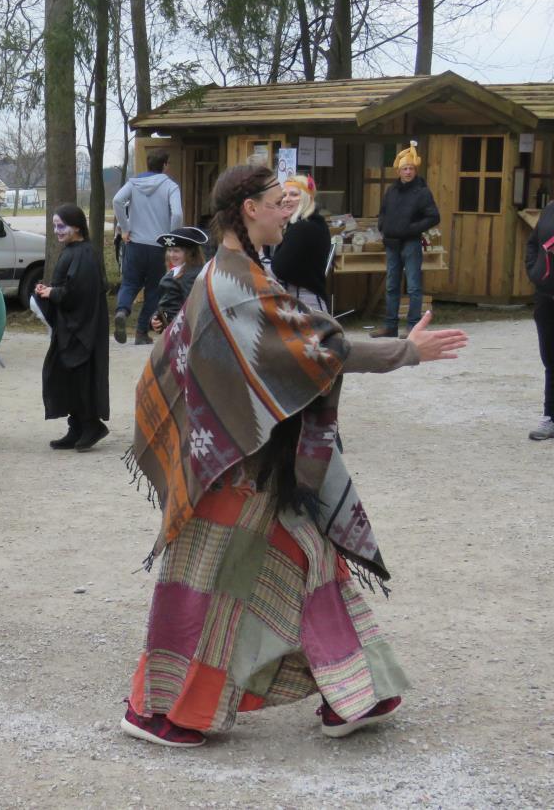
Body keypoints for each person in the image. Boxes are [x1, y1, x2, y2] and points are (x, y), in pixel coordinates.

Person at [120, 163, 467, 748]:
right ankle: (158, 709)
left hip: (263, 463)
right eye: (279, 202)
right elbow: (319, 350)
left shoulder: (243, 273)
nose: (289, 211)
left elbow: (301, 341)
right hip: (233, 468)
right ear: (249, 209)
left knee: (312, 562)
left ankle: (357, 691)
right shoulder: (233, 283)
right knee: (202, 583)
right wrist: (406, 351)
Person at [33, 205, 110, 451]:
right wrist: (48, 291)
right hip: (69, 327)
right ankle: (76, 427)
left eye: (61, 226)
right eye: (55, 226)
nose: (57, 231)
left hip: (82, 330)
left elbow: (79, 292)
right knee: (64, 375)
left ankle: (92, 425)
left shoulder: (85, 253)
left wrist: (53, 292)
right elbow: (68, 285)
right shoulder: (72, 250)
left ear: (77, 226)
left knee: (81, 377)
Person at [112, 151, 184, 345]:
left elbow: (117, 200)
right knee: (154, 290)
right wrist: (172, 239)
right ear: (165, 165)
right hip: (159, 246)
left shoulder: (134, 183)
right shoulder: (170, 186)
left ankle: (122, 311)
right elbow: (177, 214)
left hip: (135, 244)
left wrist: (125, 228)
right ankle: (141, 332)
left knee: (129, 283)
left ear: (147, 164)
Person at [524, 152, 554, 441]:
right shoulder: (551, 209)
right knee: (553, 361)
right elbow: (532, 244)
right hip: (547, 298)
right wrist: (534, 271)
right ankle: (551, 419)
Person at [373, 142, 440, 338]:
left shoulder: (422, 192)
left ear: (415, 170)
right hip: (392, 243)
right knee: (392, 286)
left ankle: (413, 327)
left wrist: (412, 229)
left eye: (411, 168)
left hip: (411, 243)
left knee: (413, 286)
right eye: (405, 169)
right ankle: (390, 326)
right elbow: (383, 212)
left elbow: (433, 217)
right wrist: (382, 226)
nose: (408, 172)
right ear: (399, 171)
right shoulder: (391, 191)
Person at [271, 175, 331, 312]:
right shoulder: (311, 223)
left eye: (294, 194)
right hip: (301, 301)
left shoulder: (304, 227)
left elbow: (280, 269)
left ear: (306, 198)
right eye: (284, 195)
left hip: (304, 304)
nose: (286, 199)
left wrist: (261, 257)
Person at [149, 227, 209, 332]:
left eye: (176, 251)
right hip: (173, 330)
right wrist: (155, 319)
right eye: (169, 250)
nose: (171, 255)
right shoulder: (176, 271)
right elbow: (167, 303)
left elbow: (193, 306)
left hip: (183, 331)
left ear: (190, 252)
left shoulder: (192, 275)